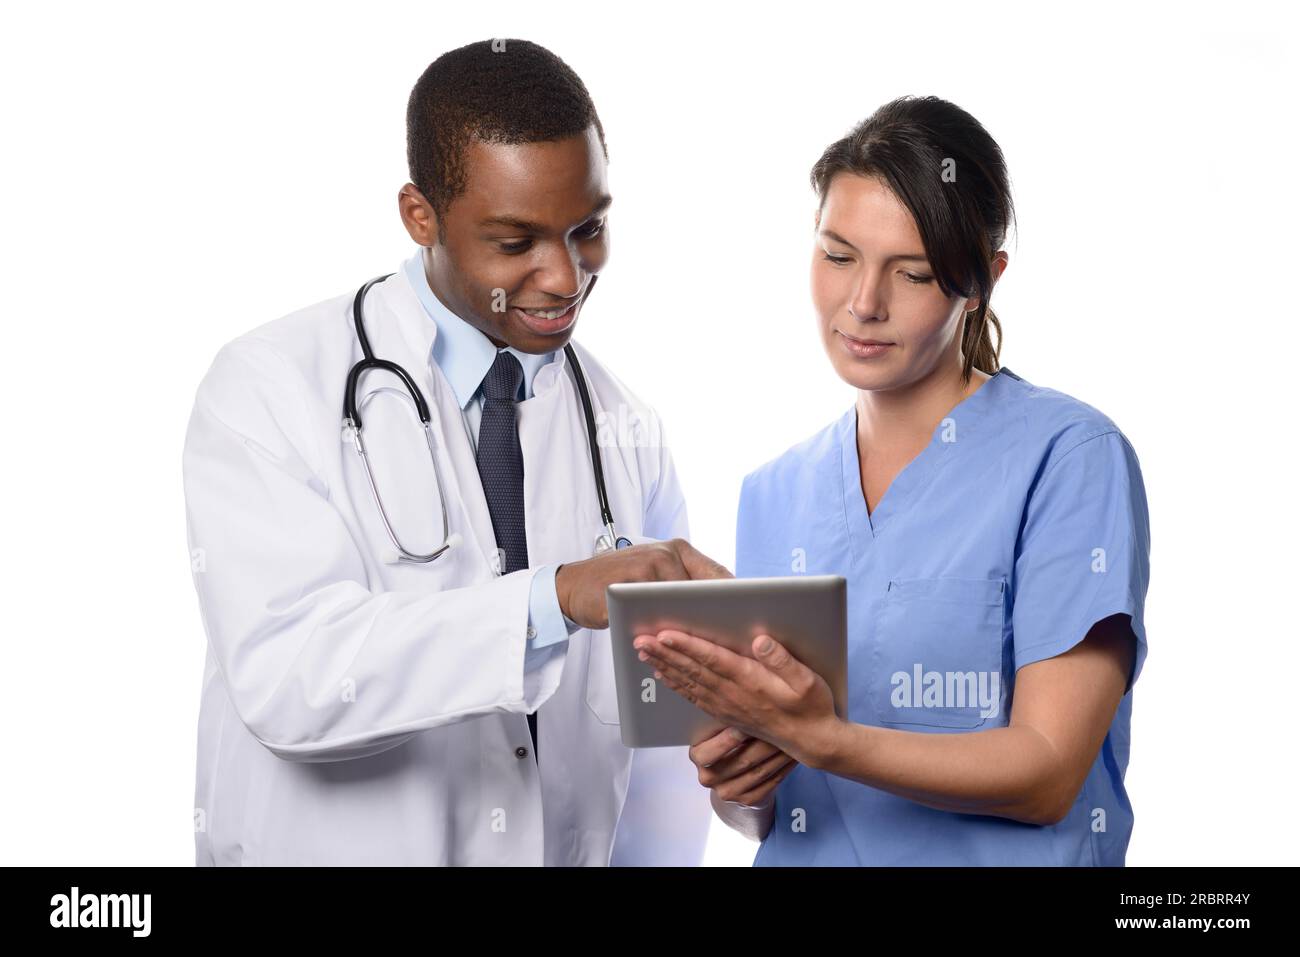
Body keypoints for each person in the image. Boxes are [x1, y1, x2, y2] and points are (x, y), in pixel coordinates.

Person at [182, 39, 740, 866]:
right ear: (421, 215)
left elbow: (656, 752)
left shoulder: (622, 426)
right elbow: (287, 676)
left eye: (588, 229)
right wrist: (550, 600)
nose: (565, 276)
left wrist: (736, 720)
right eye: (516, 242)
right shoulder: (269, 388)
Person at [634, 95, 1152, 865]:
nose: (863, 303)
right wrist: (741, 783)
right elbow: (765, 816)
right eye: (838, 256)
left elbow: (1048, 771)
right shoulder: (775, 492)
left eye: (909, 272)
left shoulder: (1068, 458)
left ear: (980, 280)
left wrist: (825, 737)